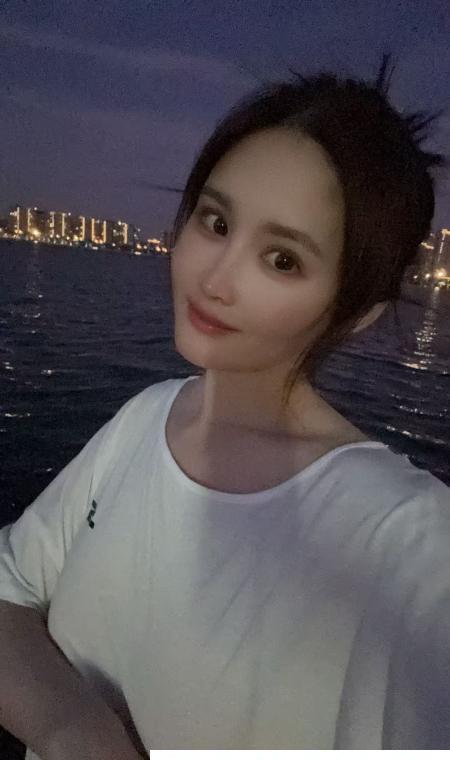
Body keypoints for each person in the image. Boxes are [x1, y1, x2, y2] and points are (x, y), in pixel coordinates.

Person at [1, 53, 449, 756]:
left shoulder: (409, 542)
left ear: (356, 311)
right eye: (215, 222)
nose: (215, 278)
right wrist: (74, 727)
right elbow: (10, 590)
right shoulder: (145, 419)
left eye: (282, 259)